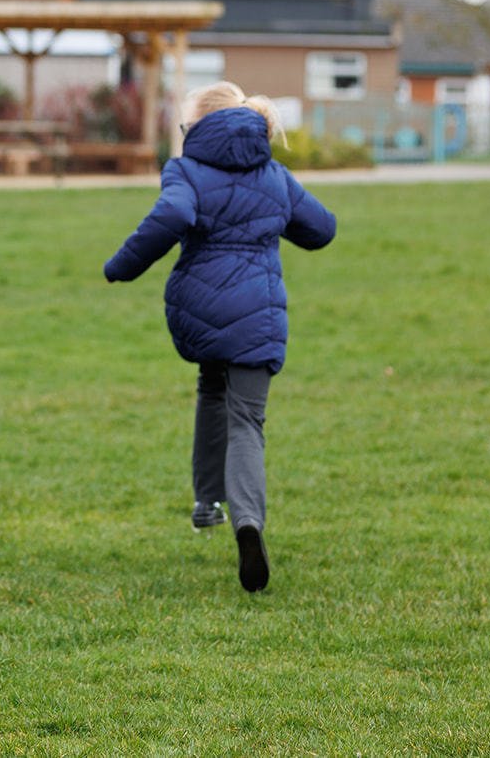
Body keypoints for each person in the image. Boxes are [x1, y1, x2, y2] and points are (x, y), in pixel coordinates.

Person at [104, 81, 336, 593]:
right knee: (247, 419)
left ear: (200, 127)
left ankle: (207, 502)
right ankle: (247, 523)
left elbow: (172, 215)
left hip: (202, 307)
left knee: (212, 387)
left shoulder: (185, 170)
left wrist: (121, 267)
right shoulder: (273, 175)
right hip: (259, 313)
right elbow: (322, 229)